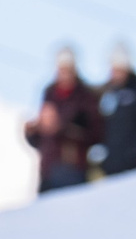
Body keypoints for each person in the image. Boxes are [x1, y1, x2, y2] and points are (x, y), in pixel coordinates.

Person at [23, 46, 104, 192]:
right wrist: (33, 131)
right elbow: (41, 139)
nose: (64, 73)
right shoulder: (49, 93)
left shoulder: (85, 96)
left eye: (67, 68)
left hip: (72, 168)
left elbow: (95, 133)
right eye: (61, 68)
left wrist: (61, 128)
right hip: (47, 169)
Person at [94, 45, 136, 177]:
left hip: (135, 163)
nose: (116, 74)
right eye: (114, 70)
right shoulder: (106, 95)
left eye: (119, 70)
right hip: (111, 164)